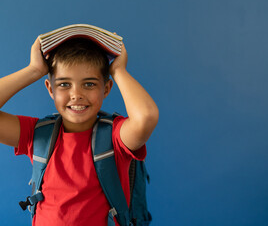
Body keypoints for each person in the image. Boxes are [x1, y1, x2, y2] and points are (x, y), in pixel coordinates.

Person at [0, 36, 159, 226]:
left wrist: (118, 71)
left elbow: (146, 117)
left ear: (106, 88)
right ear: (50, 89)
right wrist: (33, 70)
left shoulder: (116, 137)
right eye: (64, 84)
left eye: (89, 84)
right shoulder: (36, 134)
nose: (76, 94)